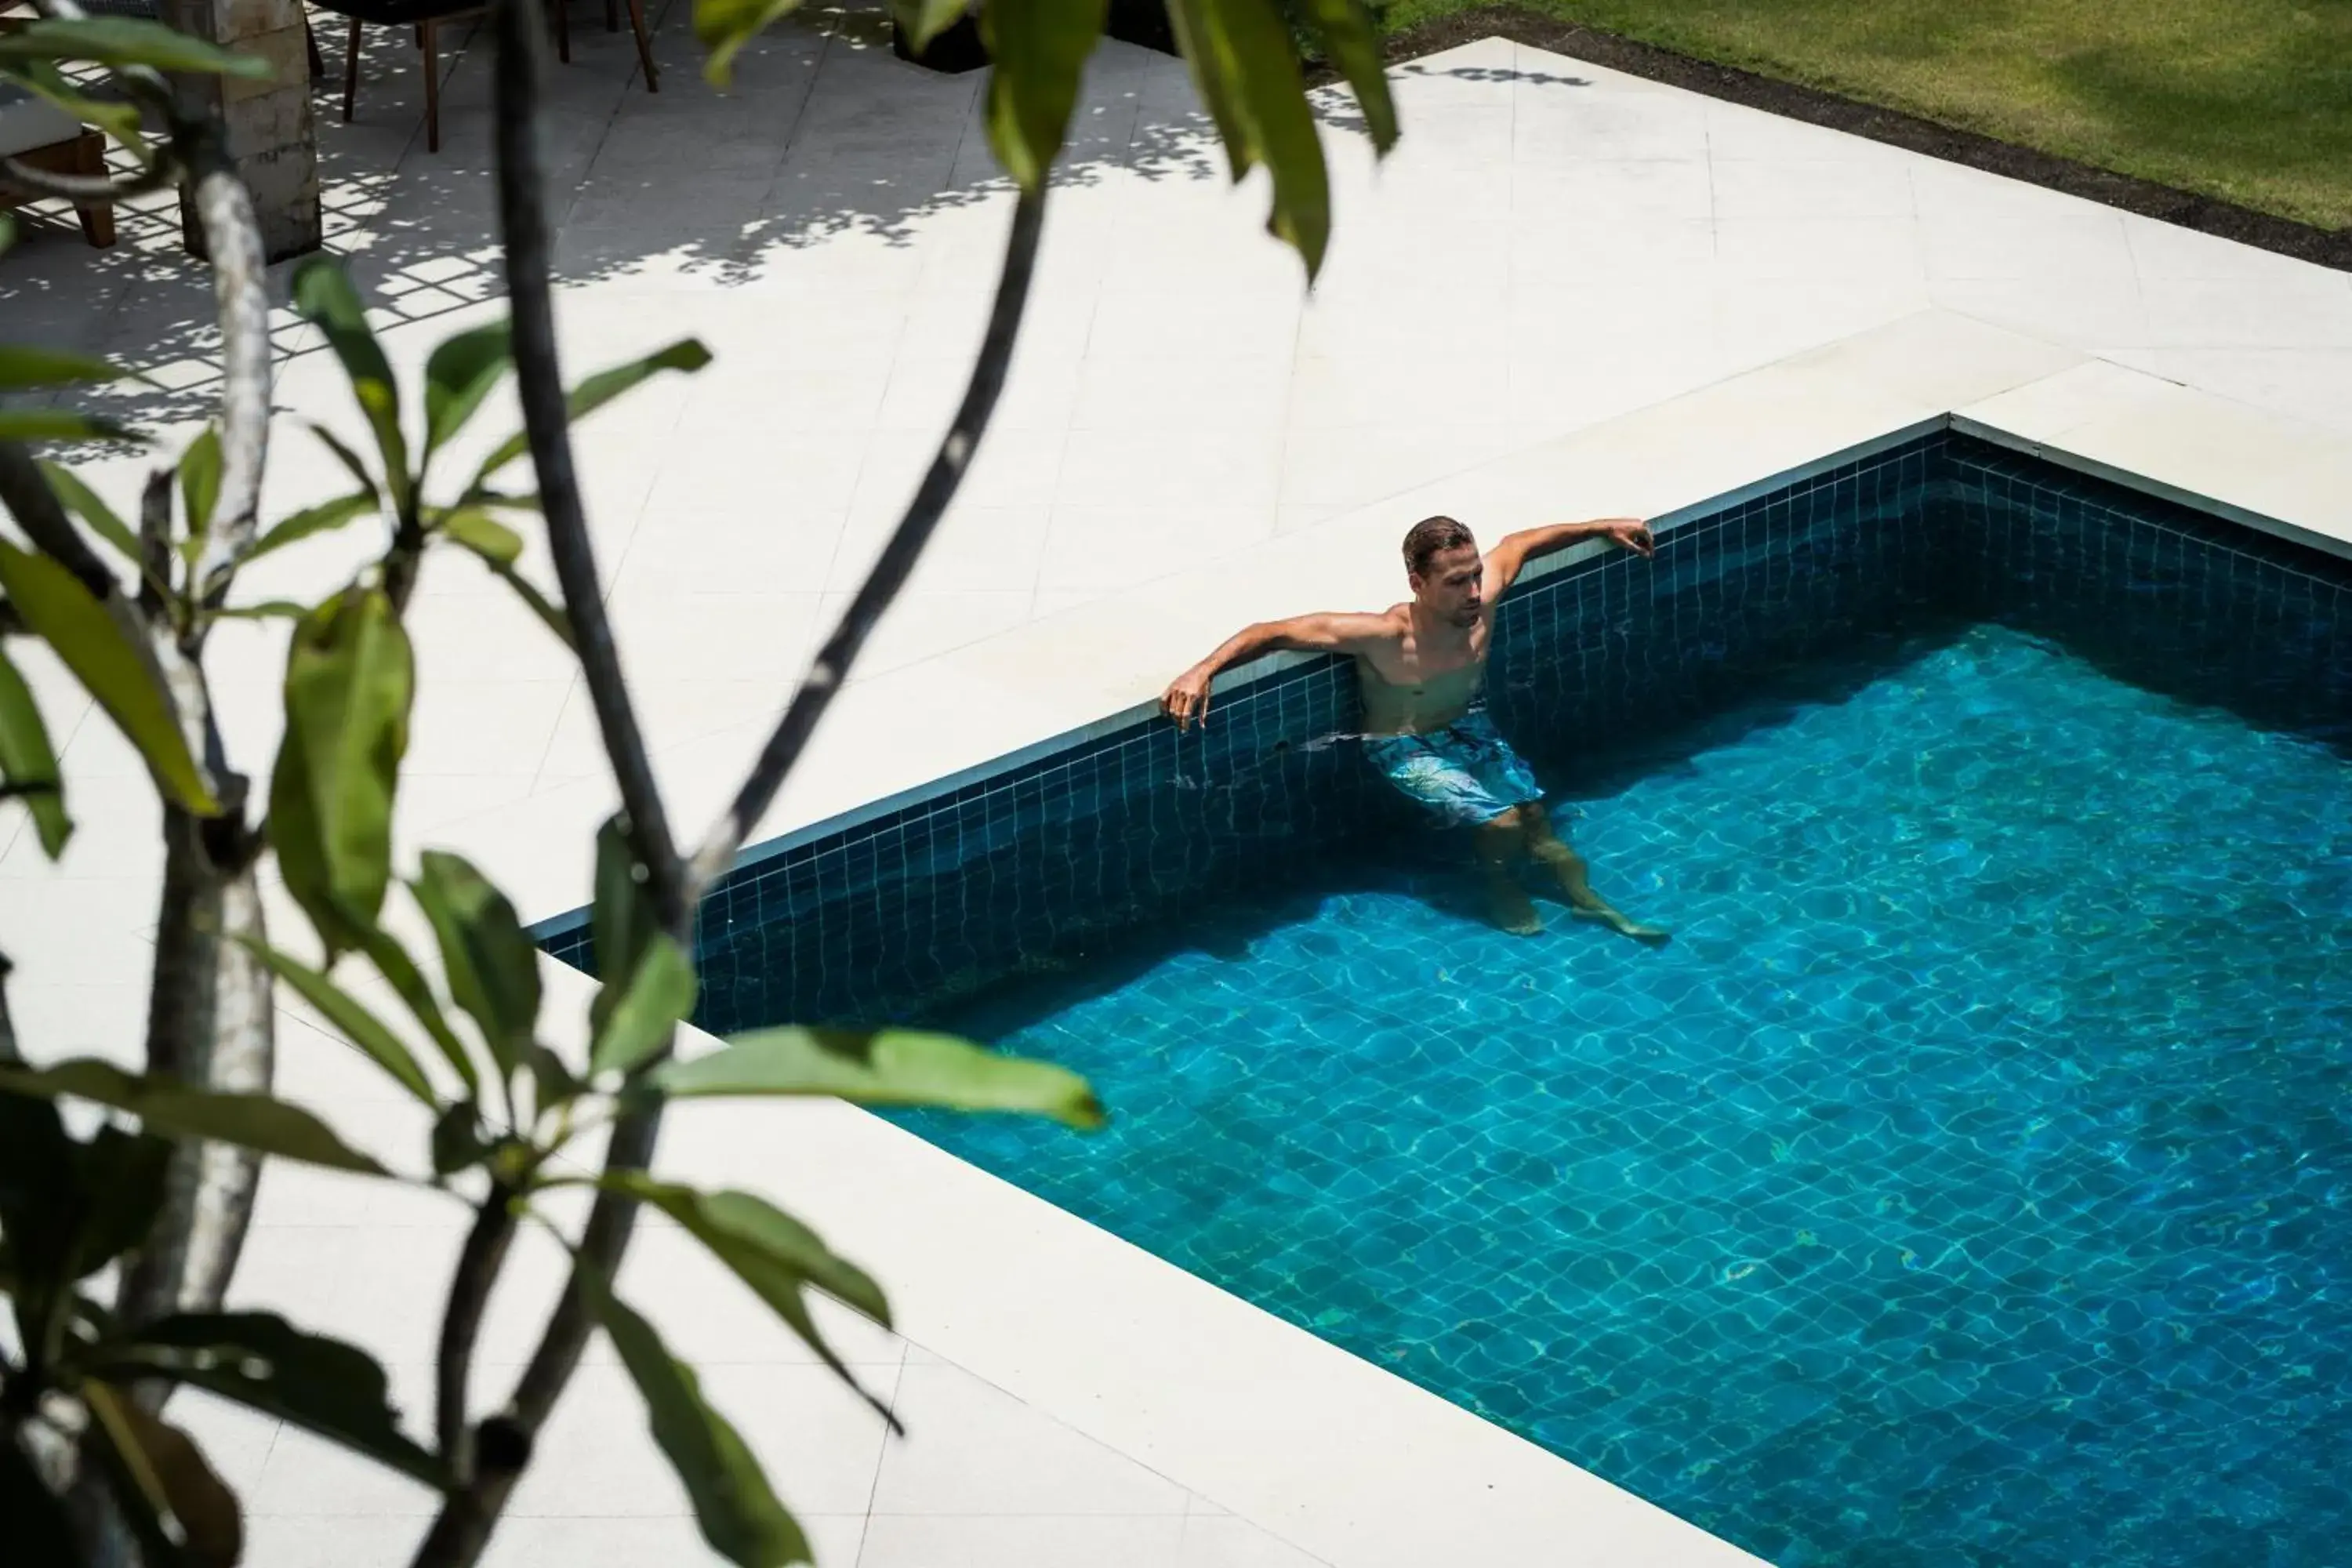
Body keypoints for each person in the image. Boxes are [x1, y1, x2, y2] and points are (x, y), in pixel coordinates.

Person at [1160, 513, 1668, 940]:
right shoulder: (1382, 635)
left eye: (1474, 575)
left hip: (1466, 726)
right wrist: (1202, 670)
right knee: (1503, 822)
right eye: (1455, 582)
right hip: (1402, 745)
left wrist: (1604, 525)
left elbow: (1521, 544)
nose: (1473, 591)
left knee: (1535, 817)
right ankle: (1498, 887)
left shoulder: (1482, 599)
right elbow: (1270, 633)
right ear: (1417, 585)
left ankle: (1587, 901)